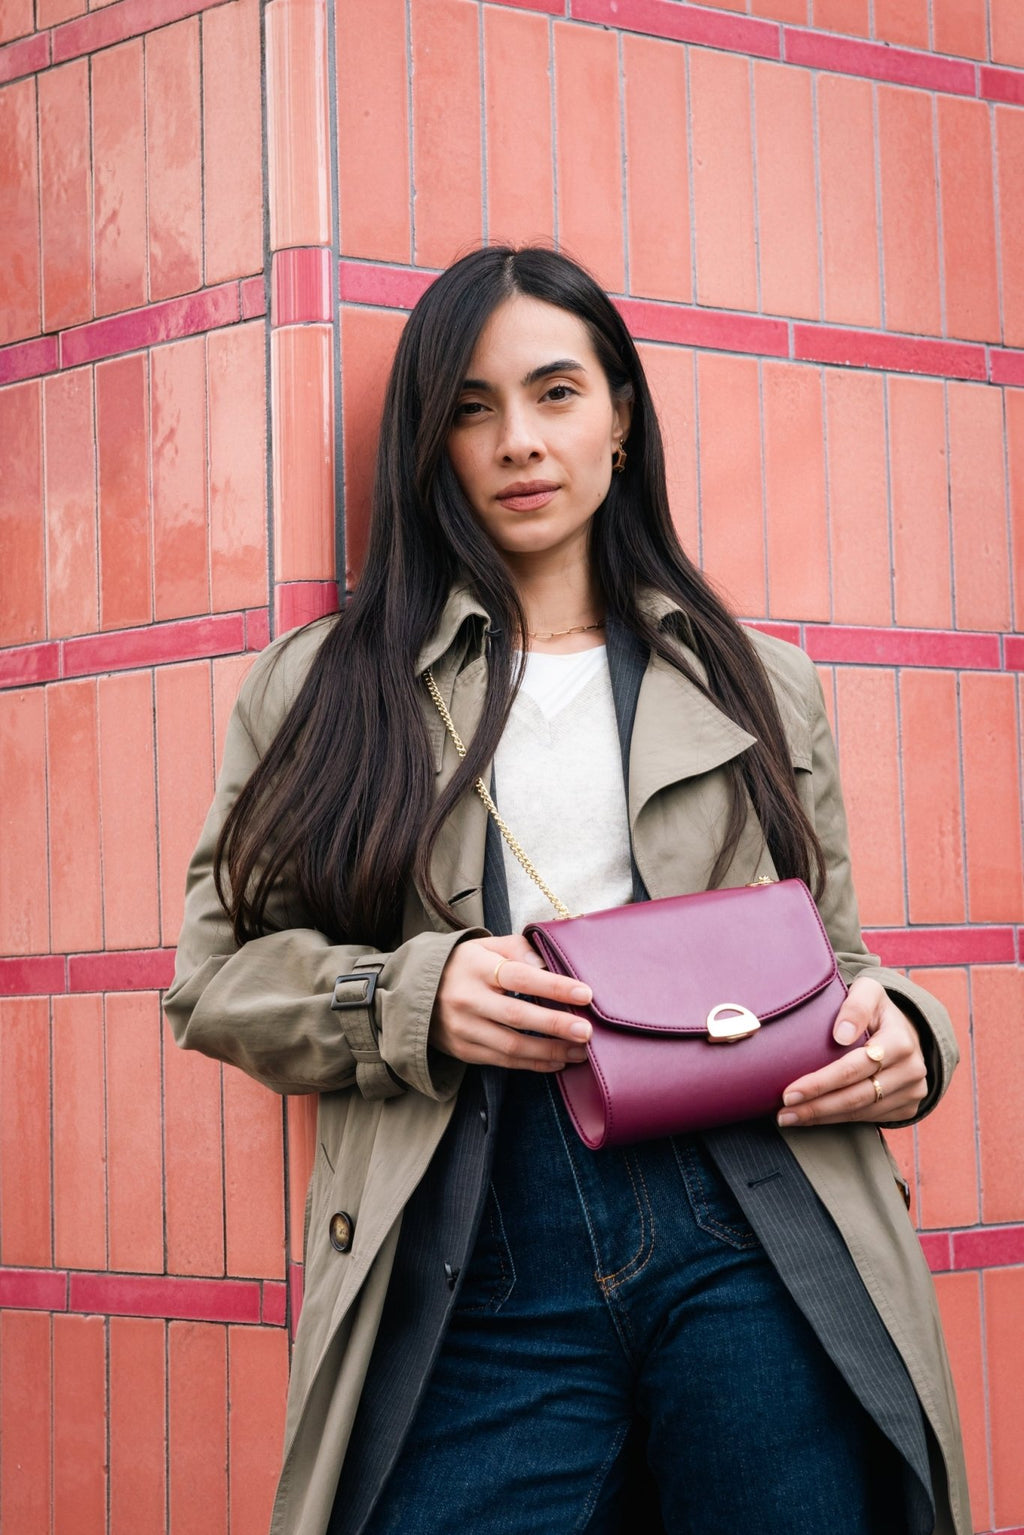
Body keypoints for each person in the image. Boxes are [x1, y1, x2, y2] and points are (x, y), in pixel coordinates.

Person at [165, 246, 970, 1535]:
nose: (519, 443)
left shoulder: (757, 679)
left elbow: (835, 959)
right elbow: (212, 982)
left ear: (621, 414)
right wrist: (413, 998)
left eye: (555, 393)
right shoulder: (326, 685)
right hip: (475, 1235)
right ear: (428, 444)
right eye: (471, 409)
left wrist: (909, 1036)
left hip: (753, 1222)